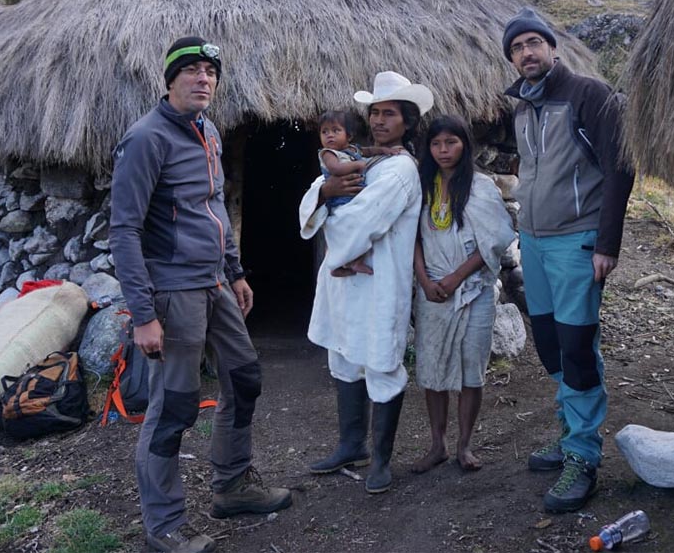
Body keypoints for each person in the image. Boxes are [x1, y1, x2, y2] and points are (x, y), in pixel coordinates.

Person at [110, 37, 291, 553]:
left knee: (244, 376)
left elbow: (213, 205)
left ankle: (232, 487)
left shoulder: (208, 131)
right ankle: (164, 526)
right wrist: (143, 315)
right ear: (168, 81)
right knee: (176, 405)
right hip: (172, 290)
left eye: (210, 70)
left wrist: (234, 270)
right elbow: (123, 230)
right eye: (190, 70)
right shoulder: (146, 139)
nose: (202, 78)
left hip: (214, 284)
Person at [501, 8, 635, 513]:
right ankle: (569, 432)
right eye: (517, 47)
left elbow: (621, 168)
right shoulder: (521, 107)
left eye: (534, 42)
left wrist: (608, 244)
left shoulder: (589, 96)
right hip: (533, 242)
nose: (527, 52)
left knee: (577, 346)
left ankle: (583, 455)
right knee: (551, 344)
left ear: (552, 48)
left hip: (577, 242)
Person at [299, 71, 434, 494]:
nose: (379, 120)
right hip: (344, 284)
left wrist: (329, 207)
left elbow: (363, 221)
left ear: (407, 122)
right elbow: (311, 193)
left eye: (389, 113)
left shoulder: (399, 170)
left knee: (381, 363)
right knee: (344, 357)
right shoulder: (359, 156)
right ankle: (350, 443)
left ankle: (380, 459)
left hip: (379, 283)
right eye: (374, 112)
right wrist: (324, 193)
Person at [409, 115, 515, 473]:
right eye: (436, 144)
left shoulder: (481, 187)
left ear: (465, 145)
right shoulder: (421, 186)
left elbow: (498, 237)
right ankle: (437, 444)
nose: (443, 150)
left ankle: (464, 445)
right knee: (432, 366)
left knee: (472, 370)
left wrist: (456, 277)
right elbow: (412, 238)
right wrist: (424, 280)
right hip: (432, 291)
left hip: (472, 290)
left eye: (450, 143)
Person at [316, 109, 403, 276]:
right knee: (342, 231)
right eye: (324, 132)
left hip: (353, 197)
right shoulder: (328, 153)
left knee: (360, 231)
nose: (329, 136)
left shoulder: (353, 150)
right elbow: (336, 168)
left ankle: (353, 261)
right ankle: (336, 264)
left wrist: (385, 151)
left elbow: (369, 151)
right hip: (339, 201)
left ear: (348, 136)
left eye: (336, 131)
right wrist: (357, 165)